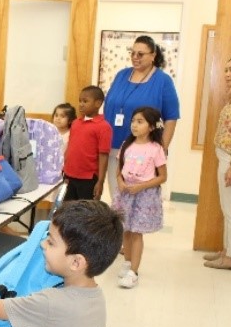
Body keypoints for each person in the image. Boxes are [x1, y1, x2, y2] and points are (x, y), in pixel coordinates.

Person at [104, 35, 180, 199]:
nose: (135, 57)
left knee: (138, 203)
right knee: (117, 198)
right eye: (132, 53)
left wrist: (161, 149)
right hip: (115, 146)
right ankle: (120, 226)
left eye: (140, 54)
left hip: (143, 151)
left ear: (153, 56)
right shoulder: (121, 75)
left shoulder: (163, 81)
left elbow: (171, 118)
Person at [112, 106, 167, 288]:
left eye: (140, 121)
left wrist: (141, 186)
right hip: (126, 194)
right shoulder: (126, 145)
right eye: (133, 121)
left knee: (136, 232)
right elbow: (118, 170)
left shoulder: (156, 149)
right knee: (125, 230)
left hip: (143, 196)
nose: (134, 125)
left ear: (151, 127)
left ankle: (134, 272)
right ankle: (127, 262)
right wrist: (120, 182)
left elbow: (162, 176)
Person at [203, 56, 231, 270]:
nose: (227, 74)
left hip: (230, 160)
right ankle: (227, 250)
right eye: (226, 69)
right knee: (227, 209)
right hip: (225, 156)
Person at [63, 86, 112, 201]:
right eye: (80, 101)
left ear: (98, 103)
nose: (81, 104)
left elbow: (103, 155)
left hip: (88, 179)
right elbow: (71, 148)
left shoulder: (104, 127)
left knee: (86, 214)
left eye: (85, 101)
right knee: (68, 212)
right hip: (69, 176)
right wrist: (64, 170)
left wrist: (100, 182)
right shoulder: (75, 123)